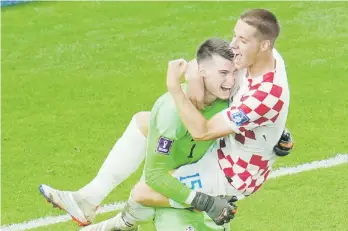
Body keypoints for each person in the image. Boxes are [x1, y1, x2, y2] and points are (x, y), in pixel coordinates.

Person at [39, 8, 294, 231]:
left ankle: (120, 226)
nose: (234, 45)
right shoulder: (259, 59)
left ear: (264, 46)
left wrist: (174, 86)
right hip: (229, 146)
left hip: (231, 173)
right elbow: (202, 67)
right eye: (235, 35)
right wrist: (276, 130)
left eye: (242, 40)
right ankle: (88, 199)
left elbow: (202, 132)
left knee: (144, 192)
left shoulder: (267, 93)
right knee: (143, 123)